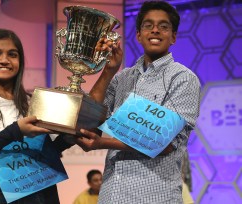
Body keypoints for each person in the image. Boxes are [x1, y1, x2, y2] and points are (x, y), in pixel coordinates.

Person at [76, 1, 201, 203]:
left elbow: (166, 143)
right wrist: (108, 71)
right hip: (111, 194)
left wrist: (101, 143)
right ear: (138, 35)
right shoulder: (122, 78)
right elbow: (89, 118)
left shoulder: (183, 78)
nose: (155, 30)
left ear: (174, 37)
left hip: (154, 196)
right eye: (148, 25)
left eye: (164, 26)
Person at [0, 28, 73, 204]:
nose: (4, 60)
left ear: (20, 61)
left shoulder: (32, 102)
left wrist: (67, 141)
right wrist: (15, 130)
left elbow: (41, 155)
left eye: (12, 54)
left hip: (39, 194)